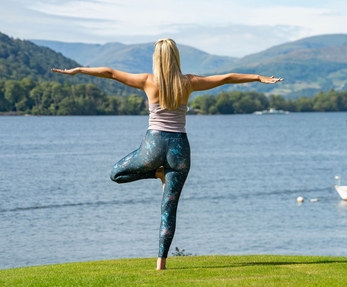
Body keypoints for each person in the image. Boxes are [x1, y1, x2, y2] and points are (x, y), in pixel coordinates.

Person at [52, 38, 283, 270]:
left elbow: (110, 73)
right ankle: (160, 265)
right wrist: (257, 77)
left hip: (153, 145)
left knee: (116, 174)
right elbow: (225, 78)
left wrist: (79, 70)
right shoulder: (189, 82)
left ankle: (156, 173)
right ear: (176, 57)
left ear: (157, 58)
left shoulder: (147, 81)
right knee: (169, 207)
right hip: (179, 149)